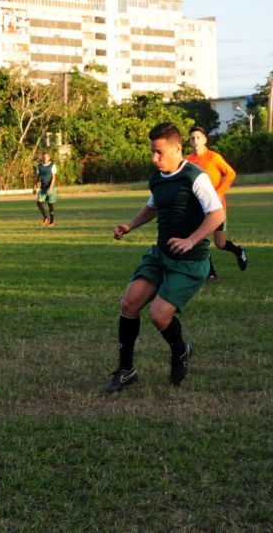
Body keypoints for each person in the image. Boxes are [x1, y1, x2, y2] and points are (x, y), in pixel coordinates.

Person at [104, 122, 225, 394]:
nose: (154, 158)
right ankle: (126, 371)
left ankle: (181, 351)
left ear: (177, 148)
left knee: (159, 317)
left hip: (190, 260)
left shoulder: (195, 177)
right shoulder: (157, 178)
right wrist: (130, 225)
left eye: (159, 152)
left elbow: (217, 215)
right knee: (129, 303)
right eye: (152, 152)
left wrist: (191, 239)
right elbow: (153, 206)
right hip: (160, 254)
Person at [186, 126, 248, 281]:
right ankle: (211, 273)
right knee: (200, 239)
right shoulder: (187, 161)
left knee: (220, 243)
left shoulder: (213, 157)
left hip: (216, 207)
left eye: (198, 137)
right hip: (198, 207)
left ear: (205, 139)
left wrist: (219, 192)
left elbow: (230, 173)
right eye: (192, 138)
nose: (195, 141)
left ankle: (238, 251)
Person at [33, 151, 57, 226]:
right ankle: (45, 218)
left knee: (50, 204)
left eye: (46, 156)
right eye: (43, 157)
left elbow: (53, 178)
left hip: (51, 188)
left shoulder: (52, 165)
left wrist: (50, 188)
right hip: (43, 188)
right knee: (39, 203)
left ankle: (52, 222)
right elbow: (37, 177)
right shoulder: (39, 166)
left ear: (49, 158)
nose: (45, 158)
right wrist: (34, 187)